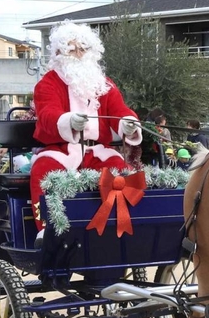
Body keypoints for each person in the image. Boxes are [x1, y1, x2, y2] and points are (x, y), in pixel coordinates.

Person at [30, 21, 142, 233]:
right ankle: (47, 231)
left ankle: (120, 227)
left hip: (97, 152)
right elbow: (47, 114)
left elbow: (119, 110)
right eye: (72, 49)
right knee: (43, 171)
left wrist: (127, 123)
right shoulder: (48, 83)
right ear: (59, 53)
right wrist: (68, 121)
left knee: (122, 173)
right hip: (62, 150)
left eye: (83, 48)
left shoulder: (103, 84)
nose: (79, 53)